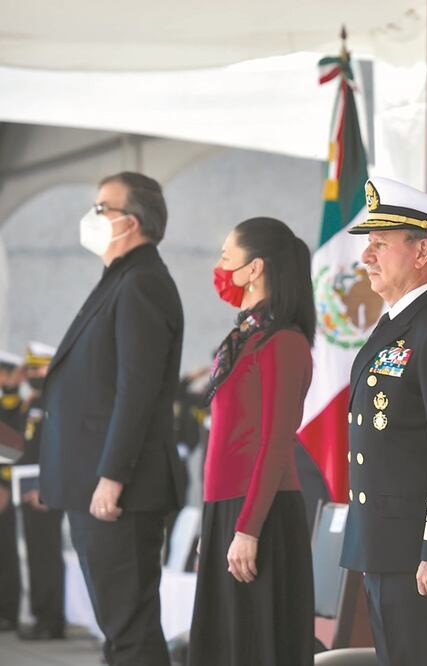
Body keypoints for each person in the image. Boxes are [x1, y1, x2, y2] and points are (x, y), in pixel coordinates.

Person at [37, 172, 186, 665]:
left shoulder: (141, 282)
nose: (93, 216)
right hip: (98, 483)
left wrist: (112, 477)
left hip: (119, 488)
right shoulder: (121, 278)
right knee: (119, 628)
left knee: (129, 629)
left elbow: (136, 392)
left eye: (103, 207)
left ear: (132, 222)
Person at [340, 177, 427, 666]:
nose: (367, 257)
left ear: (422, 251)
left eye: (380, 244)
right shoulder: (397, 325)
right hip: (386, 548)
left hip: (421, 557)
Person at [188, 217, 316, 666]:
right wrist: (214, 525)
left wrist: (247, 527)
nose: (220, 266)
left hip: (261, 512)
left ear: (255, 268)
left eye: (227, 257)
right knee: (223, 644)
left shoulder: (283, 341)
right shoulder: (246, 336)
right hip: (228, 509)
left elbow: (276, 443)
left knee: (256, 646)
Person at [16, 342, 67, 641]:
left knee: (47, 554)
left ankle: (51, 620)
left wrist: (44, 487)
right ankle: (40, 616)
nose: (32, 373)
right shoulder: (36, 400)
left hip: (43, 492)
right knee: (37, 554)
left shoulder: (55, 400)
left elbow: (55, 449)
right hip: (28, 490)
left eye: (37, 367)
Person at [0, 349, 23, 632]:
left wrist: (3, 485)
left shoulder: (11, 404)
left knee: (4, 549)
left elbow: (10, 449)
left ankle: (7, 611)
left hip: (1, 488)